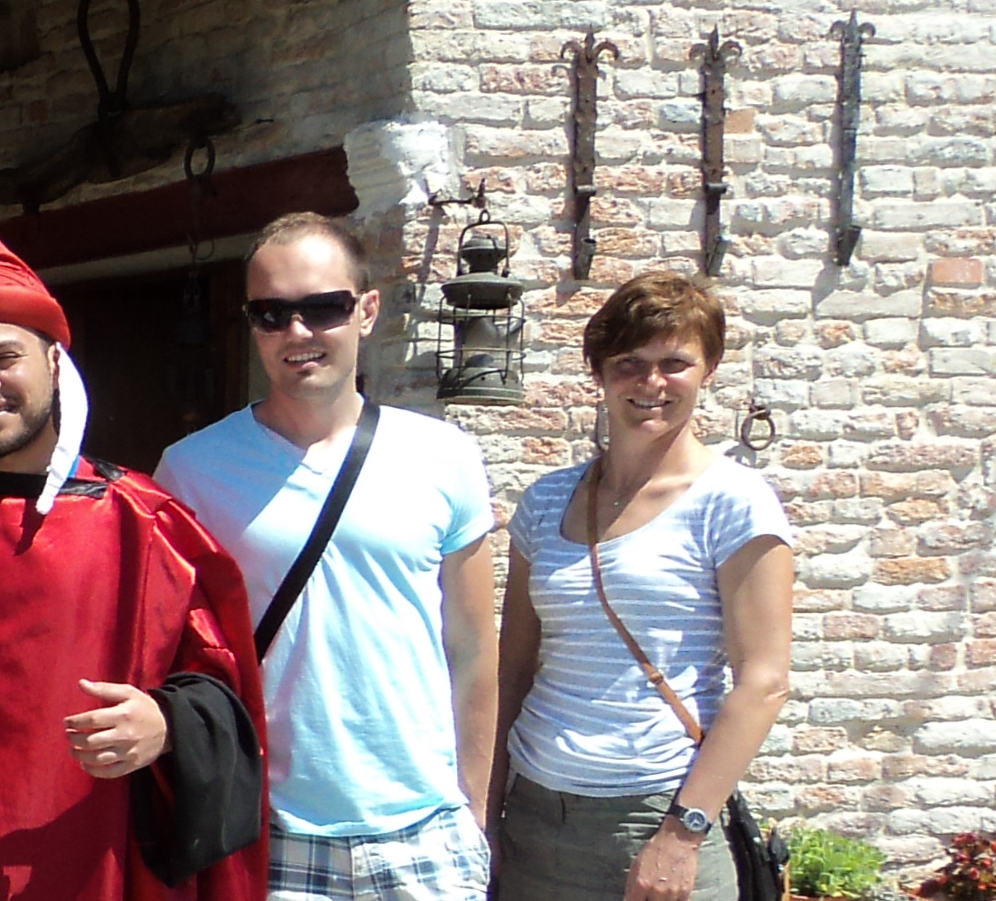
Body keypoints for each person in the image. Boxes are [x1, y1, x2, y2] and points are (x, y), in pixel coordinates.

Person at [0, 229, 270, 901]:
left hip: (84, 857)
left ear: (53, 362)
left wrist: (167, 725)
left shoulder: (143, 523)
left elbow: (221, 685)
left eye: (3, 357)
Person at [156, 213, 499, 901]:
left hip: (425, 831)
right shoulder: (190, 471)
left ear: (366, 311)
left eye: (323, 308)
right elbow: (169, 652)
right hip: (273, 833)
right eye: (272, 313)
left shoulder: (444, 455)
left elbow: (471, 645)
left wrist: (474, 808)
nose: (298, 332)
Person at [489, 273, 794, 901]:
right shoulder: (546, 501)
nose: (651, 383)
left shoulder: (733, 501)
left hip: (658, 813)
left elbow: (763, 682)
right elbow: (510, 672)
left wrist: (683, 834)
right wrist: (486, 806)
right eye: (629, 363)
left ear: (708, 370)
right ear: (599, 374)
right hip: (535, 815)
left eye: (674, 363)